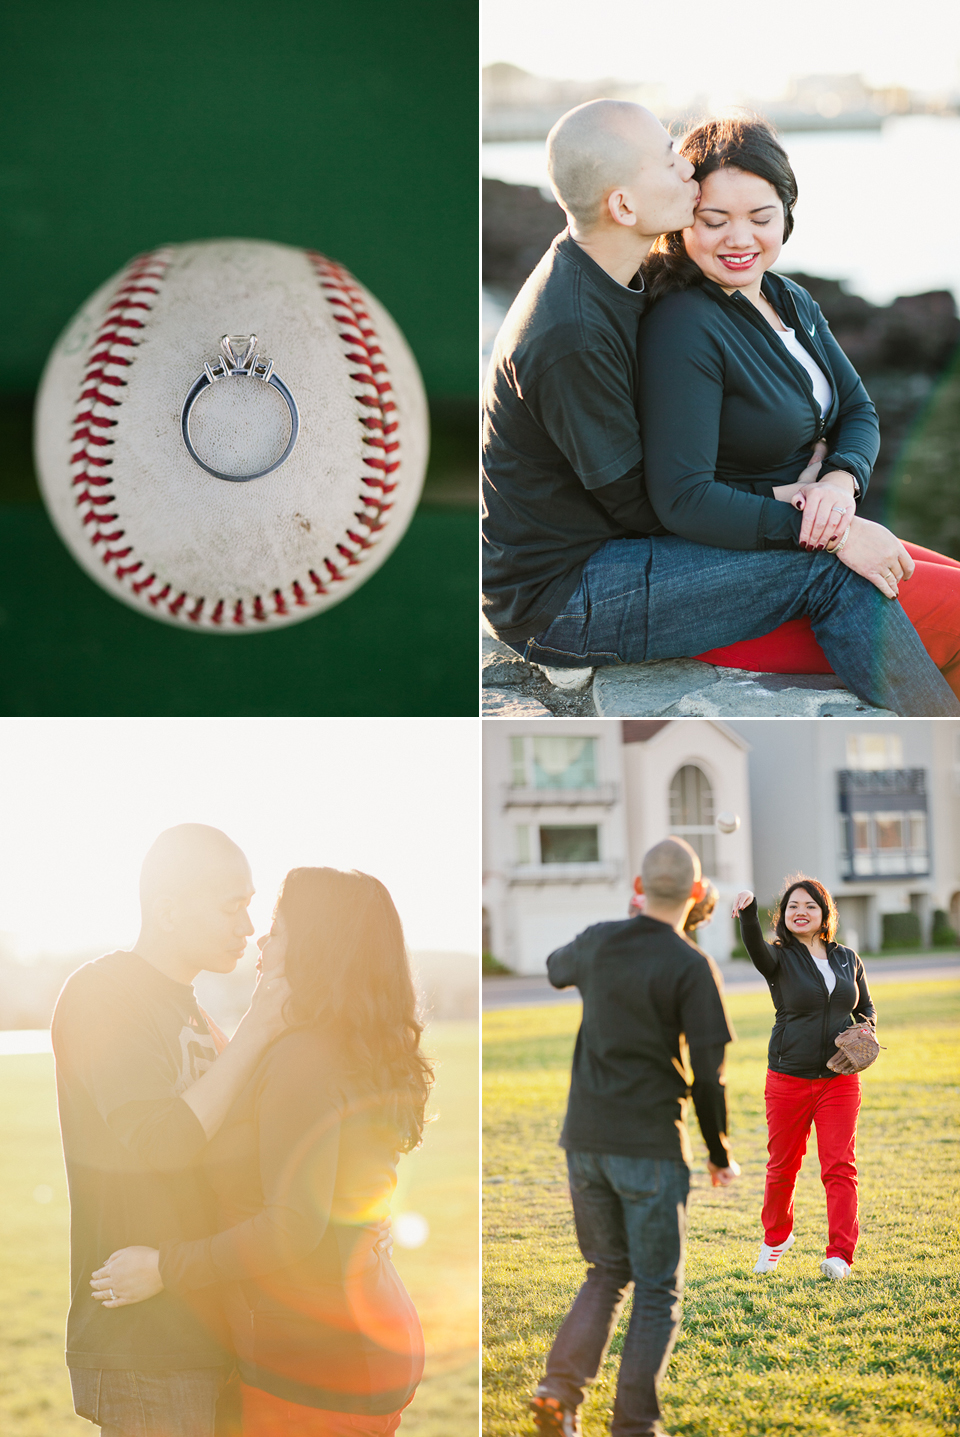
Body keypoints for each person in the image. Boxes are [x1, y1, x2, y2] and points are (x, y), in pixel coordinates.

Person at [482, 97, 960, 716]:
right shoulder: (573, 330)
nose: (685, 166)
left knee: (891, 563)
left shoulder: (618, 277)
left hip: (619, 551)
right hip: (567, 594)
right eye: (666, 160)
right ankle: (938, 751)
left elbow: (851, 410)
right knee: (836, 570)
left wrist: (829, 487)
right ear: (624, 205)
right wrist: (800, 508)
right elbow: (651, 502)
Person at [88, 867, 431, 1437]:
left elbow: (293, 1227)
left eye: (277, 926)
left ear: (318, 946)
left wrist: (165, 1266)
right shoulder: (343, 1043)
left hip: (320, 1363)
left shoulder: (307, 1058)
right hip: (355, 1337)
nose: (261, 939)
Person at [639, 114, 960, 697]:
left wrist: (840, 481)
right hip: (749, 586)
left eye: (761, 219)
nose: (740, 239)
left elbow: (858, 410)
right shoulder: (684, 324)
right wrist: (831, 532)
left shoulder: (789, 299)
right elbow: (682, 498)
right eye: (714, 221)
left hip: (816, 538)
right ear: (682, 222)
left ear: (787, 214)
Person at [51, 823, 292, 1437]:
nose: (248, 926)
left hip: (213, 1325)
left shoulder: (194, 1012)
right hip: (146, 1343)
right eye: (232, 906)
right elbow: (163, 1142)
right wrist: (259, 1027)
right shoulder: (103, 994)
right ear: (167, 910)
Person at [533, 838, 739, 1437]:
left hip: (585, 1142)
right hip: (649, 1146)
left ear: (639, 886)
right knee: (655, 1289)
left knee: (605, 1271)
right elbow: (709, 1078)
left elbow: (553, 967)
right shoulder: (692, 966)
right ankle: (634, 1426)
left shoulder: (598, 940)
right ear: (697, 895)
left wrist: (617, 928)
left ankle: (559, 1391)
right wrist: (719, 1155)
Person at [733, 876, 876, 1280]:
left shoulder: (848, 957)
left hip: (839, 1079)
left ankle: (840, 1255)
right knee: (782, 1167)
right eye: (793, 905)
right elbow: (755, 948)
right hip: (787, 1078)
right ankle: (776, 1239)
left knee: (839, 1166)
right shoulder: (778, 958)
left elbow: (866, 1007)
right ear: (783, 915)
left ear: (825, 913)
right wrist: (747, 911)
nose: (801, 912)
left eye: (810, 906)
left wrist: (866, 1032)